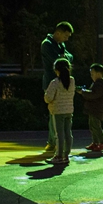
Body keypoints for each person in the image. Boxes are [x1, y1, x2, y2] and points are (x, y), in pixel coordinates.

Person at [41, 22, 74, 154]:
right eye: (66, 36)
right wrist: (63, 57)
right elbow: (60, 61)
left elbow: (68, 57)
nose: (67, 39)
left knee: (56, 114)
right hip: (51, 82)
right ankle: (53, 142)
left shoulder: (60, 45)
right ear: (58, 32)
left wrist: (63, 57)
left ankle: (54, 142)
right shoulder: (47, 44)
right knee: (54, 113)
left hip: (60, 82)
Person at [44, 58, 76, 165]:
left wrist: (46, 98)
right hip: (69, 110)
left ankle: (59, 155)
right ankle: (66, 155)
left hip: (58, 111)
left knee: (59, 134)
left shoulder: (55, 83)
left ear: (57, 70)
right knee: (68, 133)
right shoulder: (72, 81)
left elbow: (48, 97)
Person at [77, 63, 103, 152]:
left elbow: (94, 95)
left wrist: (83, 92)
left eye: (92, 73)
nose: (91, 76)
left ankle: (102, 143)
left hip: (97, 108)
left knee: (96, 126)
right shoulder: (97, 84)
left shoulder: (100, 84)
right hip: (94, 108)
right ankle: (96, 142)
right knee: (92, 125)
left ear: (98, 73)